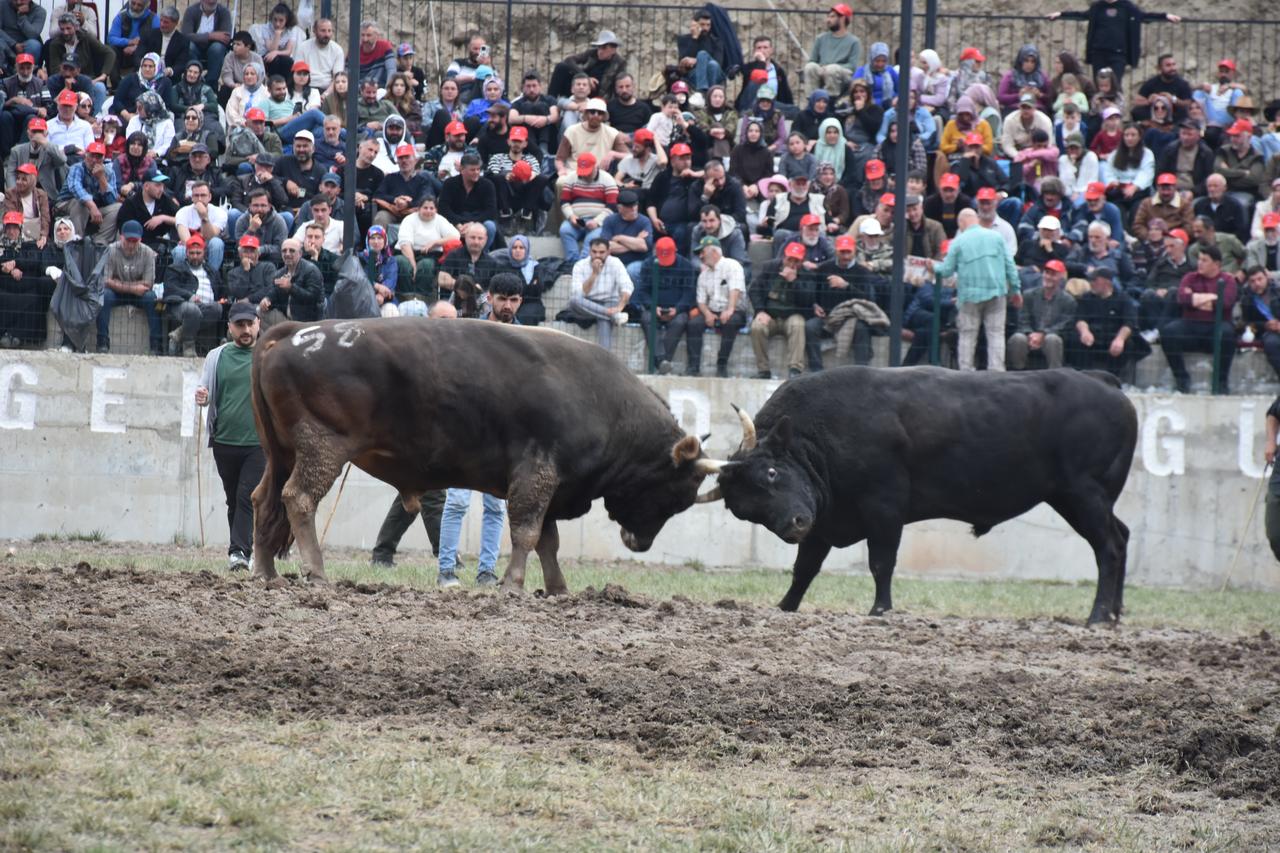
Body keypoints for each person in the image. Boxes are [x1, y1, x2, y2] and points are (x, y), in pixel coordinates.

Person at [435, 272, 524, 588]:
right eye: (502, 299)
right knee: (457, 500)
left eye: (513, 300)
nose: (507, 306)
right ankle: (446, 570)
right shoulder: (469, 332)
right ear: (490, 297)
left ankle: (486, 571)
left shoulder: (525, 339)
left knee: (495, 505)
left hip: (504, 433)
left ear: (520, 302)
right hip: (467, 428)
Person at [194, 301, 263, 572]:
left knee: (247, 496)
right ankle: (245, 548)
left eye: (250, 324)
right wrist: (202, 396)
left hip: (258, 444)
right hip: (224, 441)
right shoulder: (216, 356)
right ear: (230, 327)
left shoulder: (269, 355)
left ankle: (239, 553)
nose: (246, 330)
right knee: (234, 498)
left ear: (258, 323)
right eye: (240, 325)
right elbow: (205, 390)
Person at [930, 208, 1021, 371]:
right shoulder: (996, 237)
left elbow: (947, 270)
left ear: (961, 223)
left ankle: (966, 372)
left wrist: (934, 267)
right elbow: (1010, 266)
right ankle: (997, 372)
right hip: (996, 293)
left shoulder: (959, 241)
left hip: (969, 297)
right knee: (996, 335)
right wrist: (1016, 289)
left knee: (967, 335)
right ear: (976, 219)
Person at [1160, 244, 1237, 393]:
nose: (1199, 263)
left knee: (1228, 334)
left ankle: (1221, 381)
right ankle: (1181, 378)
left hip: (1217, 325)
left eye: (1204, 260)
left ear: (1216, 264)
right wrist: (1211, 298)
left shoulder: (1227, 279)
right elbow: (1182, 298)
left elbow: (1226, 302)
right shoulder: (1190, 277)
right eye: (1199, 259)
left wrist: (1195, 298)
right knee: (1168, 332)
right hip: (1190, 324)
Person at [1048, 0, 1180, 85]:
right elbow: (1080, 15)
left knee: (1114, 84)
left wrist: (1165, 16)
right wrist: (1060, 14)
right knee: (1100, 84)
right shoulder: (1098, 7)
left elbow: (1144, 16)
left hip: (1118, 55)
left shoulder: (1127, 7)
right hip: (1098, 53)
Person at [749, 242, 818, 378]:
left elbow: (808, 300)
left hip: (792, 315)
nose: (792, 264)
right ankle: (763, 370)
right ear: (783, 257)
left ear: (802, 261)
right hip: (770, 315)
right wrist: (760, 311)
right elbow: (754, 289)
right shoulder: (770, 267)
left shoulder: (807, 274)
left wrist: (794, 281)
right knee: (757, 327)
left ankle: (795, 370)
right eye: (789, 259)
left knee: (798, 325)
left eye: (796, 261)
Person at [634, 236, 699, 374]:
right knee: (646, 318)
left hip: (676, 310)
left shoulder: (686, 265)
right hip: (654, 309)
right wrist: (653, 307)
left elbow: (689, 293)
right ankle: (662, 361)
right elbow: (642, 291)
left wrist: (677, 309)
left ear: (675, 250)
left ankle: (660, 361)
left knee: (681, 320)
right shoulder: (647, 264)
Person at [1066, 266, 1146, 376]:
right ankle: (1083, 375)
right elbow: (1080, 318)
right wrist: (1085, 332)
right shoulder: (1087, 297)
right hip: (1092, 337)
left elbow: (1129, 323)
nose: (1091, 283)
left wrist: (1120, 339)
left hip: (1112, 337)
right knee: (1075, 339)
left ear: (1106, 282)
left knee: (1127, 343)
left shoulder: (1123, 299)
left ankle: (1113, 377)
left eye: (1095, 280)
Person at [1007, 259, 1075, 369]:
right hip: (1030, 334)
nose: (1048, 277)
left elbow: (1064, 324)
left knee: (1052, 339)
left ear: (1061, 277)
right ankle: (1018, 373)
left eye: (1053, 274)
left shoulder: (1068, 300)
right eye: (1046, 273)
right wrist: (1030, 334)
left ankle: (1055, 375)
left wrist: (1043, 334)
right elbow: (1023, 318)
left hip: (1052, 335)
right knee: (1018, 338)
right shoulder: (1029, 295)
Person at [565, 236, 631, 349]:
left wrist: (619, 307)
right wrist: (594, 274)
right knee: (574, 300)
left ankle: (605, 359)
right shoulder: (580, 265)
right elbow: (578, 294)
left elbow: (627, 287)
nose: (597, 255)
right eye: (594, 252)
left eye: (601, 252)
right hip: (587, 303)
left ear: (609, 252)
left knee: (604, 320)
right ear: (589, 251)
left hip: (609, 301)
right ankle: (613, 316)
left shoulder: (615, 263)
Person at [163, 234, 223, 356]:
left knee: (218, 308)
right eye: (192, 253)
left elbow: (221, 290)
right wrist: (189, 296)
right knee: (192, 310)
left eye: (198, 253)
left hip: (206, 307)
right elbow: (170, 288)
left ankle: (179, 333)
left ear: (204, 253)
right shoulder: (175, 268)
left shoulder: (212, 271)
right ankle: (188, 346)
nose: (195, 256)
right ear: (186, 253)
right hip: (181, 305)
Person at [395, 196, 459, 304]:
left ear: (436, 210)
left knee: (426, 265)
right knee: (403, 264)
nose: (428, 211)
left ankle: (422, 301)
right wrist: (413, 265)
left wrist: (435, 242)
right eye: (425, 208)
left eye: (431, 208)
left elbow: (455, 235)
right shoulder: (409, 219)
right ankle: (405, 300)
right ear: (418, 209)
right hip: (407, 253)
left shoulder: (439, 220)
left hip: (430, 255)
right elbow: (405, 243)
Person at [548, 30, 625, 99]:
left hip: (597, 96)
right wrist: (586, 78)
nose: (600, 51)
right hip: (580, 87)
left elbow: (617, 86)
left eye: (604, 48)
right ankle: (550, 102)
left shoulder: (619, 63)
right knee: (561, 67)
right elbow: (569, 60)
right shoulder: (592, 53)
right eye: (599, 47)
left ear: (613, 50)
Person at [803, 4, 859, 97]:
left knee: (832, 69)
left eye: (832, 17)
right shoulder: (820, 38)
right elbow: (812, 60)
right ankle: (812, 100)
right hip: (823, 69)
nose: (828, 20)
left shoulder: (854, 41)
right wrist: (822, 68)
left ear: (842, 19)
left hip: (842, 73)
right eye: (828, 17)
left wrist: (831, 67)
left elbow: (852, 66)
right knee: (810, 67)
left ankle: (830, 101)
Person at [180, 0, 233, 90]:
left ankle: (210, 84)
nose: (211, 2)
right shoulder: (191, 11)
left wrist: (199, 37)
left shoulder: (224, 12)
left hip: (214, 47)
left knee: (217, 48)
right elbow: (185, 35)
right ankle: (194, 80)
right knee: (189, 46)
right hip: (195, 46)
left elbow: (226, 37)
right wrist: (210, 36)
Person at [1132, 171, 1193, 241]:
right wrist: (1150, 236)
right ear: (1157, 188)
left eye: (1169, 189)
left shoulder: (1184, 204)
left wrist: (1172, 237)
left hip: (1175, 241)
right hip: (1150, 240)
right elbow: (1138, 225)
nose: (1166, 193)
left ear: (1175, 188)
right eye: (1163, 189)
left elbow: (1189, 228)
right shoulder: (1146, 203)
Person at [294, 18, 343, 91]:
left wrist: (326, 95)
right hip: (307, 87)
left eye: (329, 31)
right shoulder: (303, 47)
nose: (327, 34)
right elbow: (298, 72)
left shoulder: (337, 50)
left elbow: (337, 77)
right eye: (323, 31)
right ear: (314, 31)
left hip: (328, 89)